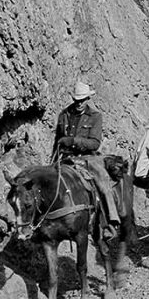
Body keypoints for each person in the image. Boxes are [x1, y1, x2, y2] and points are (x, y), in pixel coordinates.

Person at [53, 82, 120, 235]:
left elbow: (95, 143)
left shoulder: (95, 116)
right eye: (77, 100)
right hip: (66, 158)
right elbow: (57, 140)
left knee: (102, 182)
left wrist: (74, 141)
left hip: (87, 158)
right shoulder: (64, 115)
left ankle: (110, 222)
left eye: (82, 100)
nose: (79, 103)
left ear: (88, 99)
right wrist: (55, 157)